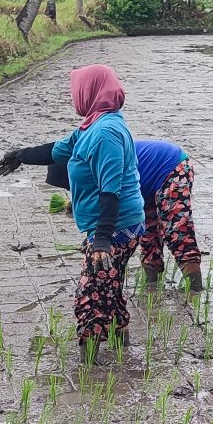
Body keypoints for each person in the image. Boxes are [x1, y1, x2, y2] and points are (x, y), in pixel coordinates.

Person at [0, 138, 203, 291]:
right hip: (146, 184)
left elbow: (113, 211)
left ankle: (195, 290)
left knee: (177, 229)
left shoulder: (105, 166)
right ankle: (151, 286)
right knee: (149, 233)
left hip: (171, 167)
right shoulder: (89, 164)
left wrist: (99, 240)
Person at [54, 66, 146, 349]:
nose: (73, 98)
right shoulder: (92, 126)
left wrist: (103, 240)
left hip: (116, 228)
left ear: (90, 92)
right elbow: (56, 151)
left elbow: (110, 189)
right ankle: (122, 350)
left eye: (76, 92)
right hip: (113, 226)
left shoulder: (106, 132)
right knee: (110, 287)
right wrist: (20, 156)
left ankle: (90, 371)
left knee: (90, 295)